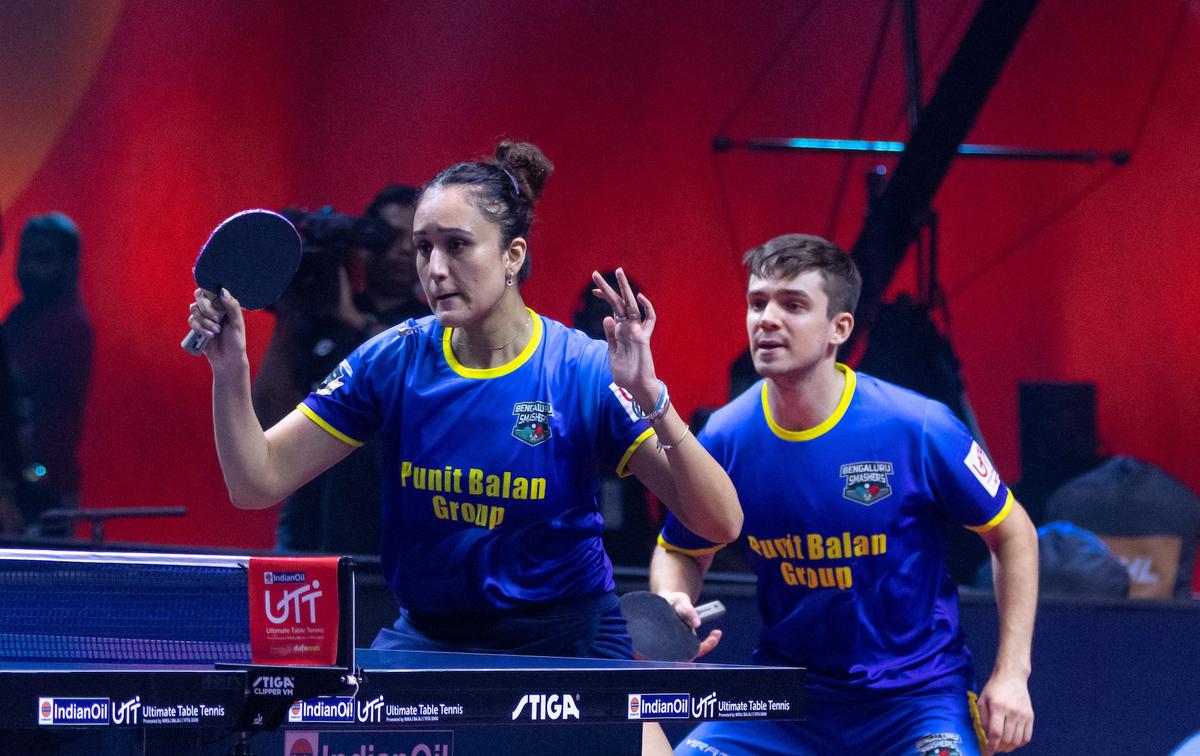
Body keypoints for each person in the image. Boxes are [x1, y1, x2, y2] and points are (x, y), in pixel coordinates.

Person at [188, 141, 741, 660]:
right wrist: (229, 369)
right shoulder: (394, 359)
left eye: (457, 246)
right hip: (433, 639)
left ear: (512, 256)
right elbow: (256, 482)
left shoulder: (581, 368)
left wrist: (651, 398)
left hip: (568, 644)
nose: (434, 269)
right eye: (423, 247)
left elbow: (718, 522)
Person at [651, 234, 1037, 755]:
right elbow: (680, 548)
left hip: (916, 701)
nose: (766, 319)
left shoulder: (919, 427)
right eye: (757, 302)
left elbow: (1013, 533)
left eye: (793, 305)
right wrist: (673, 600)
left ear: (840, 328)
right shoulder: (724, 435)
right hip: (784, 701)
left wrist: (1012, 674)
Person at [2, 213, 93, 536]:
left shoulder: (67, 327)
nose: (29, 269)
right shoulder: (19, 318)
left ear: (70, 264)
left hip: (43, 493)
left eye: (43, 258)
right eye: (25, 257)